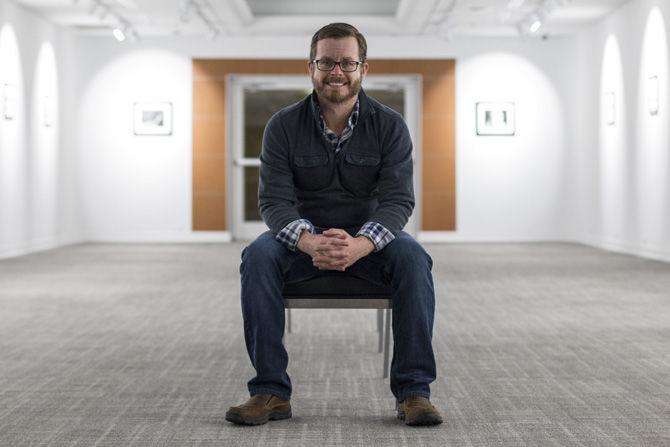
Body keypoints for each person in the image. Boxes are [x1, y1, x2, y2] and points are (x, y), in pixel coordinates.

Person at [225, 22, 442, 427]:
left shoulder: (390, 125)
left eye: (346, 62)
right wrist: (308, 241)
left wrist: (361, 244)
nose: (336, 71)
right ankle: (269, 391)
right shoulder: (282, 126)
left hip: (372, 246)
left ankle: (414, 392)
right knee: (256, 255)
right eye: (326, 62)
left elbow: (398, 200)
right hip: (301, 245)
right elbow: (273, 201)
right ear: (311, 67)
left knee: (414, 257)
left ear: (363, 69)